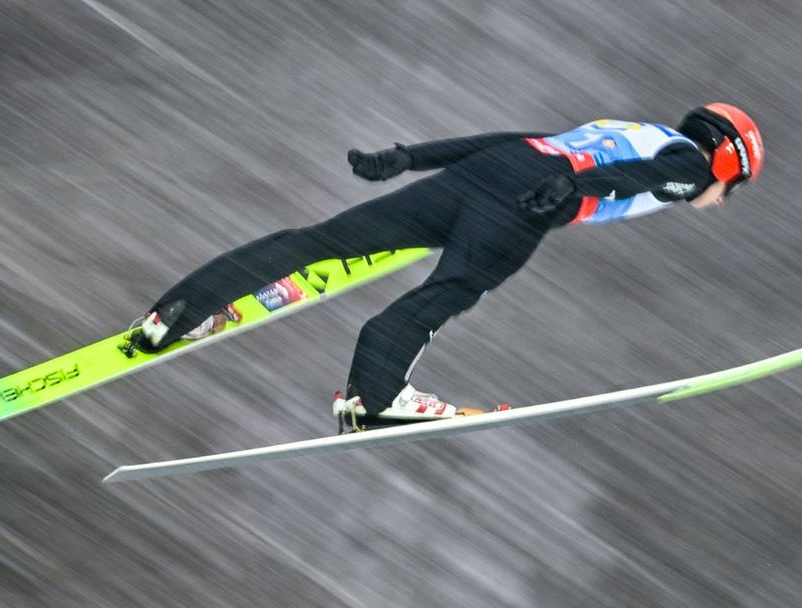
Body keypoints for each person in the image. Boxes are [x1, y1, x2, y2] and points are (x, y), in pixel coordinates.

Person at [135, 103, 765, 425]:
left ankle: (176, 313)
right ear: (727, 164)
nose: (718, 199)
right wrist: (573, 191)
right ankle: (373, 399)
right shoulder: (688, 166)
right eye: (730, 189)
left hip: (488, 173)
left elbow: (512, 143)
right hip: (530, 198)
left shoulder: (630, 127)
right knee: (452, 290)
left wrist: (408, 157)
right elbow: (645, 178)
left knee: (318, 241)